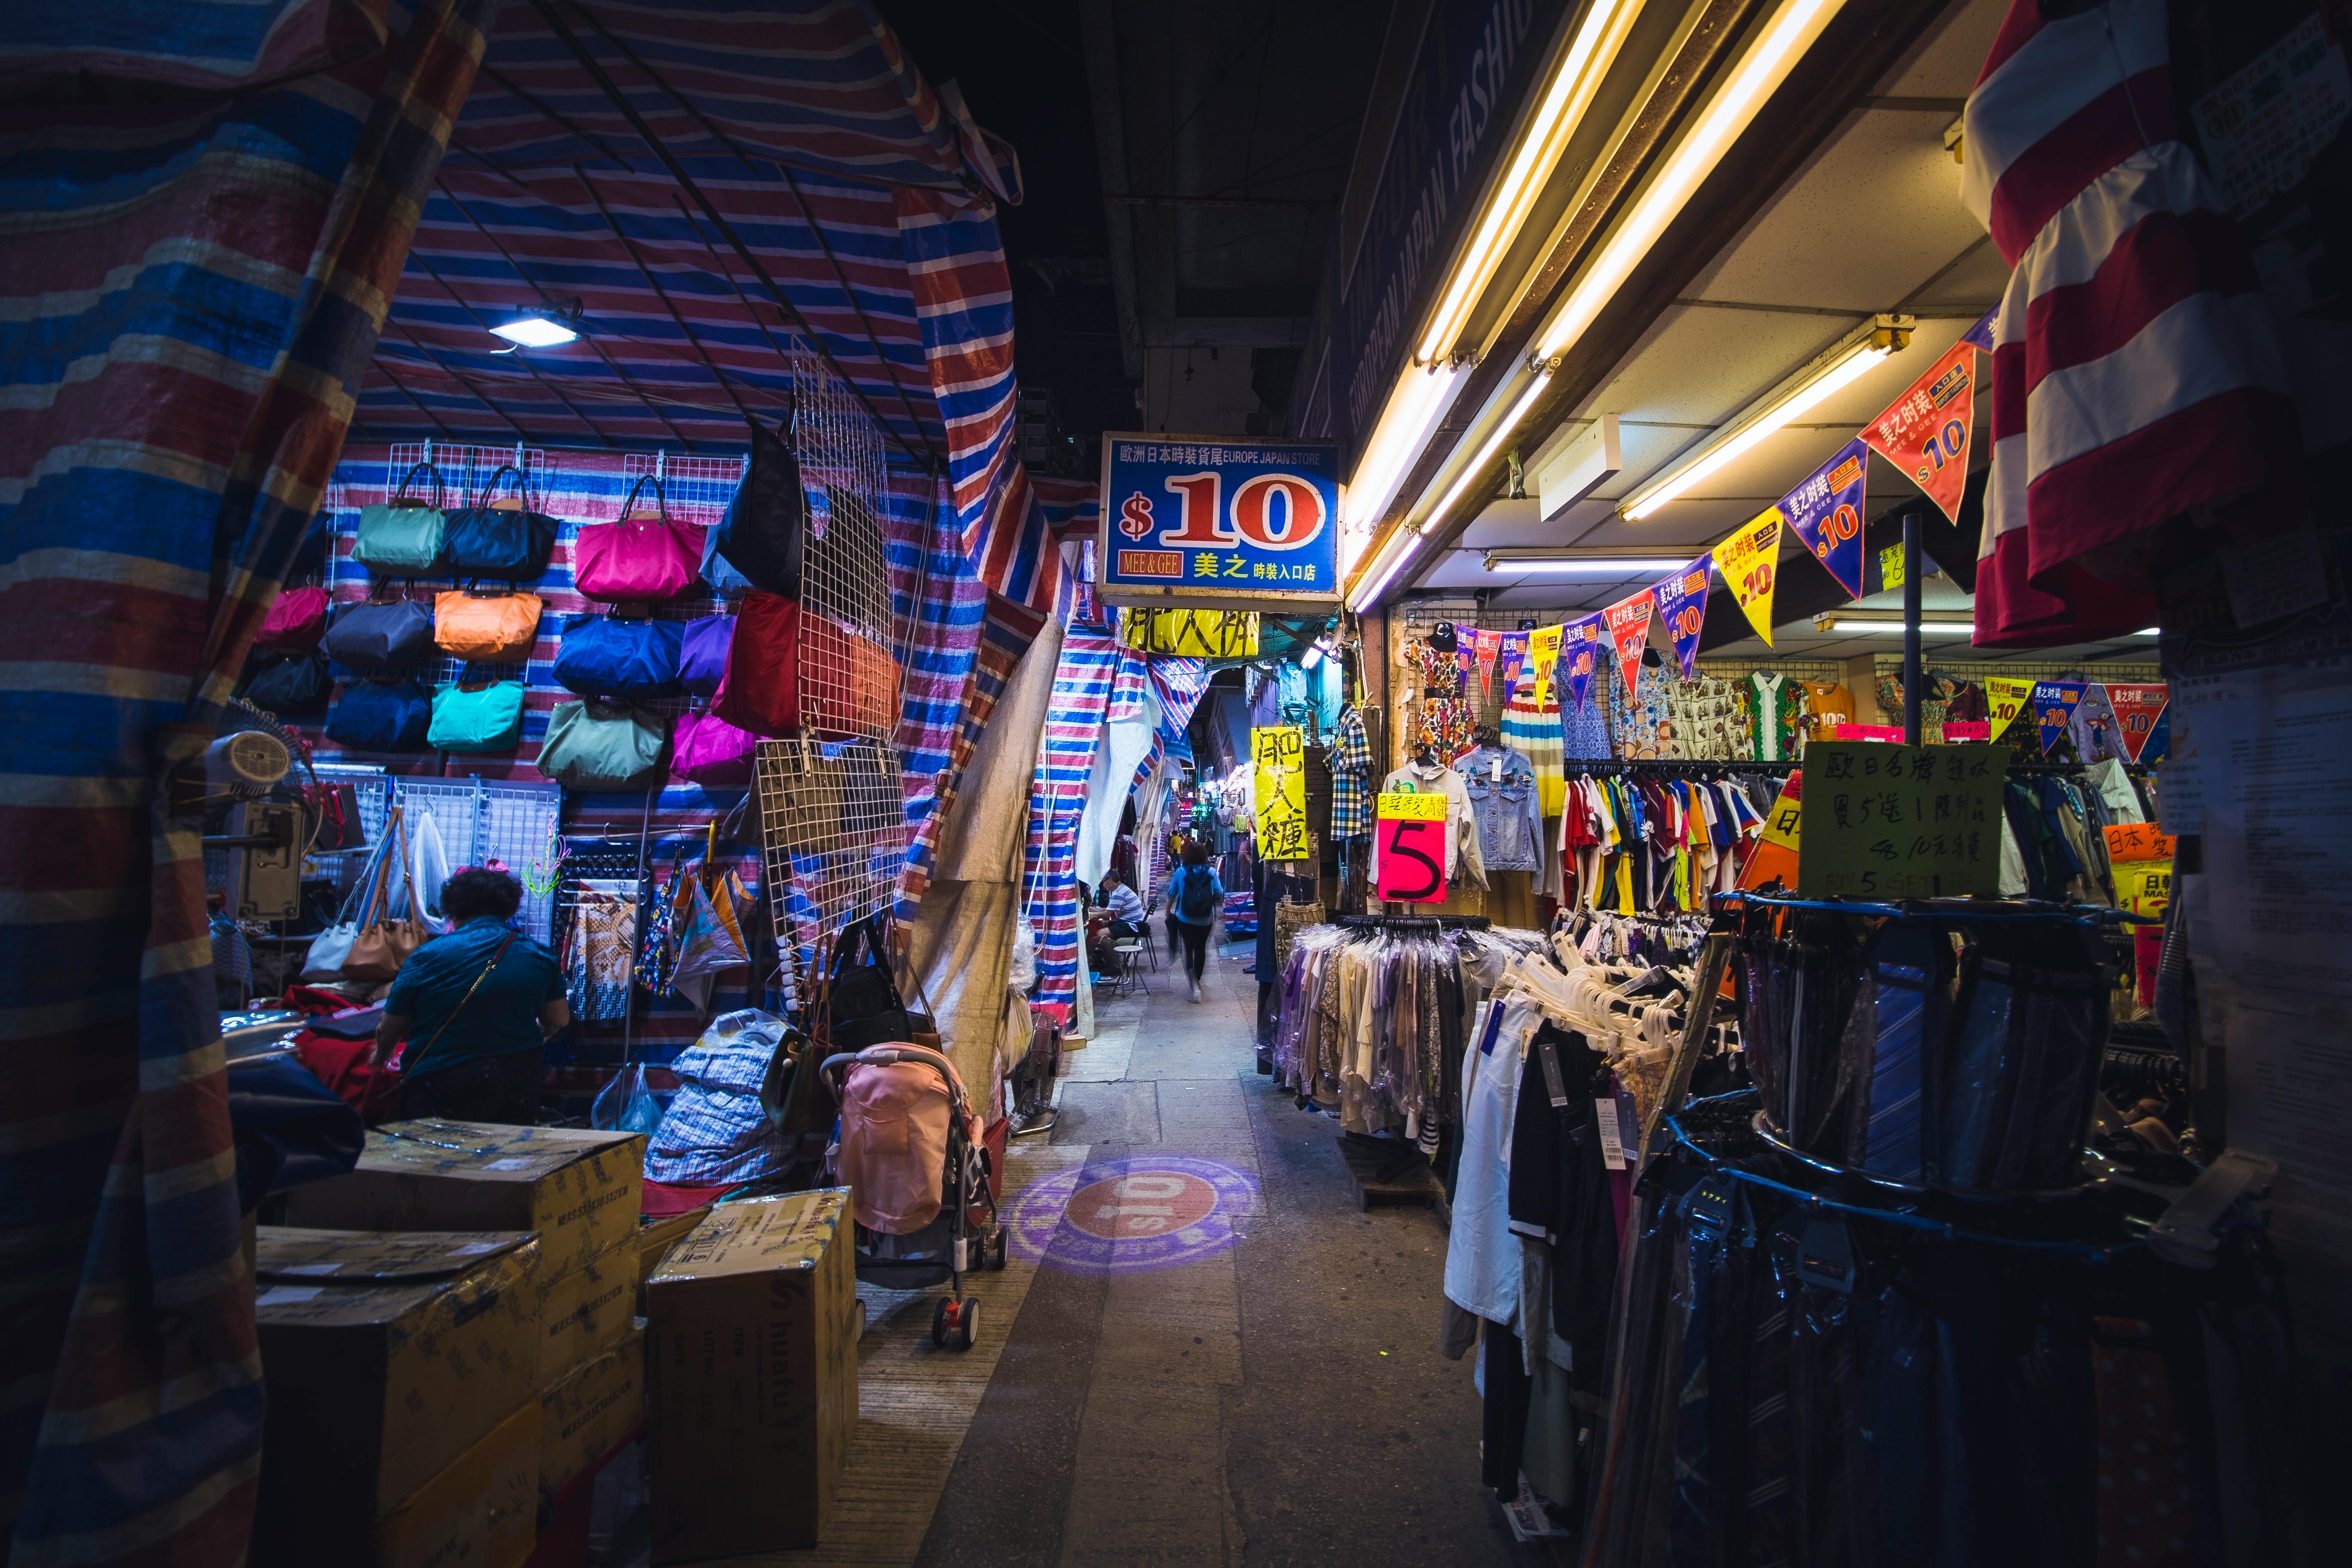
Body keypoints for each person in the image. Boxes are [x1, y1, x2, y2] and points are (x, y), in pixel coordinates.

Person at [375, 867, 568, 1124]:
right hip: (517, 1082)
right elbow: (558, 1020)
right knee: (504, 1160)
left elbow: (390, 1028)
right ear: (509, 911)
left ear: (452, 912)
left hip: (440, 1081)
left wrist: (380, 1057)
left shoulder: (427, 955)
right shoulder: (540, 957)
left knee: (434, 1160)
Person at [1167, 840, 1224, 1003]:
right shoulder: (1211, 872)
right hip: (1206, 919)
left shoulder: (1180, 872)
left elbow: (1172, 894)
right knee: (1201, 949)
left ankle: (1193, 983)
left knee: (1189, 949)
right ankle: (1197, 983)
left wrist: (1167, 912)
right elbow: (1219, 892)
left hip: (1185, 918)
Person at [1101, 870, 1148, 939]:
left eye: (1104, 881)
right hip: (1131, 922)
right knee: (1102, 924)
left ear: (1110, 880)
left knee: (1100, 933)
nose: (1103, 885)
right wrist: (1091, 910)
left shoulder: (1119, 893)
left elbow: (1106, 914)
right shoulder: (1122, 889)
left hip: (1132, 925)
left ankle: (1112, 948)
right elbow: (1109, 909)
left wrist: (1090, 914)